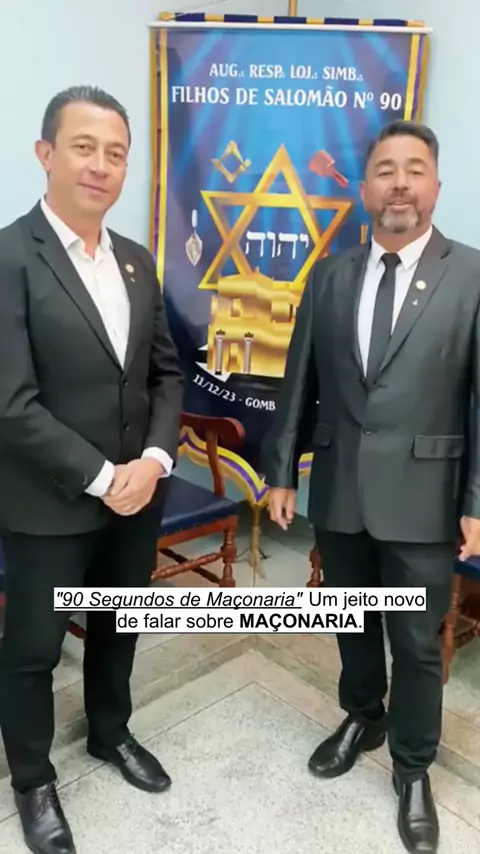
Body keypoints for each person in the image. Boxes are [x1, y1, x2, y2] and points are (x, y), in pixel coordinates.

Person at [261, 119, 480, 854]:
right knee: (352, 619)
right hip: (341, 490)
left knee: (416, 643)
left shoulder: (472, 275)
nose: (399, 184)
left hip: (428, 497)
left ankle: (412, 768)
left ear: (436, 185)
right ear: (364, 189)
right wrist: (281, 470)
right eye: (385, 170)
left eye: (414, 170)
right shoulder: (330, 275)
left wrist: (478, 503)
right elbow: (300, 378)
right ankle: (364, 715)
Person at [0, 86, 184, 854]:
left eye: (116, 153)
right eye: (84, 147)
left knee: (119, 623)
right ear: (45, 154)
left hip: (136, 498)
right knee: (33, 650)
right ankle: (33, 780)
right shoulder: (10, 258)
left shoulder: (136, 262)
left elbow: (166, 375)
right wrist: (105, 477)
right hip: (48, 503)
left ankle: (111, 731)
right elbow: (11, 403)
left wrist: (154, 459)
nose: (100, 166)